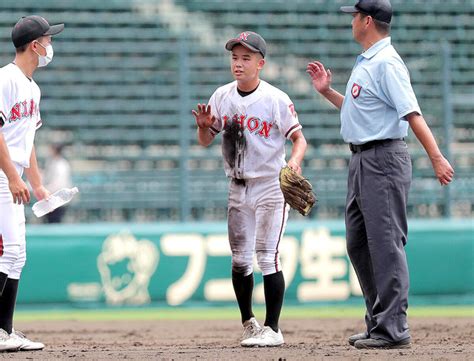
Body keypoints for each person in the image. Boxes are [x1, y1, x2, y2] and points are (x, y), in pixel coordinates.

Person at [307, 0, 454, 349]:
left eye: (355, 16)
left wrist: (436, 157)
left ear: (367, 20)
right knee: (358, 243)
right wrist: (327, 91)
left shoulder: (387, 63)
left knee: (386, 245)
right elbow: (360, 110)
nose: (352, 21)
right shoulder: (369, 61)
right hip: (361, 159)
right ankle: (378, 321)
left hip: (383, 157)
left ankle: (393, 328)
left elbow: (411, 113)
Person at [192, 31, 307, 347]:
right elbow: (206, 142)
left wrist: (294, 162)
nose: (238, 64)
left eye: (246, 58)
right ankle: (249, 323)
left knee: (268, 256)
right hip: (238, 185)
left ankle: (273, 328)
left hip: (270, 184)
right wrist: (203, 128)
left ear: (261, 63)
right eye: (234, 57)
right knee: (240, 260)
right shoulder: (222, 97)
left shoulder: (275, 99)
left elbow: (299, 138)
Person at [0, 15, 64, 351]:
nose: (50, 45)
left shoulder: (32, 87)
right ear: (34, 45)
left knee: (17, 255)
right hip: (2, 174)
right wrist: (12, 176)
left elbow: (28, 140)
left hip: (13, 174)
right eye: (48, 40)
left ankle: (5, 331)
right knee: (9, 251)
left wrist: (37, 184)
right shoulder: (6, 79)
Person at [43, 144, 72, 223]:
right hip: (51, 196)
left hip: (57, 197)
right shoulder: (51, 163)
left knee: (55, 221)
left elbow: (59, 183)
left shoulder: (61, 165)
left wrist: (47, 190)